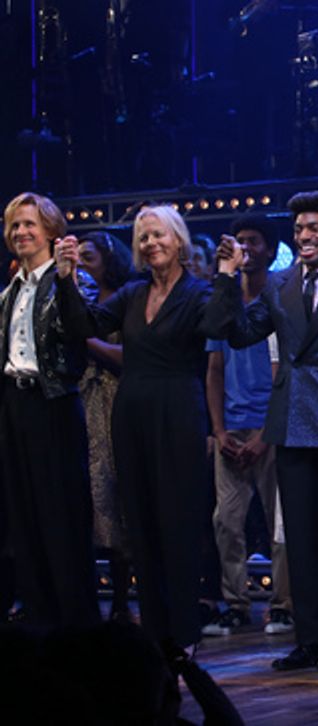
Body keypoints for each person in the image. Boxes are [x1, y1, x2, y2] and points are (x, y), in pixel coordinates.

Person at [208, 191, 318, 671]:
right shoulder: (279, 284)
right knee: (301, 539)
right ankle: (310, 639)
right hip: (291, 421)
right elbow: (239, 332)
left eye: (314, 228)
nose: (304, 236)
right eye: (299, 230)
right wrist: (227, 279)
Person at [56, 204, 229, 653]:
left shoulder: (198, 292)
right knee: (141, 523)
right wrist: (65, 278)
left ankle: (184, 632)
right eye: (143, 238)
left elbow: (215, 326)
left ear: (178, 240)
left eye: (158, 235)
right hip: (131, 411)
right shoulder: (133, 294)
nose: (150, 243)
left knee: (179, 521)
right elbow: (83, 325)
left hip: (177, 409)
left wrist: (227, 277)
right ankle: (154, 633)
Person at [0, 192, 100, 628]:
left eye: (29, 224)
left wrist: (65, 276)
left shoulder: (70, 278)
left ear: (52, 232)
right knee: (24, 516)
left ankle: (74, 619)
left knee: (61, 514)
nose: (21, 232)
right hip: (15, 403)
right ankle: (38, 614)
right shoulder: (10, 290)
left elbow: (80, 329)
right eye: (15, 226)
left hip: (54, 402)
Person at [203, 214, 293, 637]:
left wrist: (265, 435)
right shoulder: (224, 300)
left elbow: (284, 373)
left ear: (272, 251)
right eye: (240, 241)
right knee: (227, 520)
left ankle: (284, 604)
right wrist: (219, 430)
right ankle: (235, 603)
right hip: (232, 429)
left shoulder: (279, 298)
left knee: (280, 524)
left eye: (254, 241)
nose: (246, 248)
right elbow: (214, 370)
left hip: (271, 428)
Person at [75, 231, 135, 622]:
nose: (81, 266)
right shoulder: (76, 304)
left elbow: (126, 356)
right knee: (87, 501)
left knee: (116, 500)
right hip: (81, 402)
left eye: (88, 258)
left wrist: (84, 339)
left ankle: (120, 598)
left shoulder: (126, 299)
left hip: (115, 404)